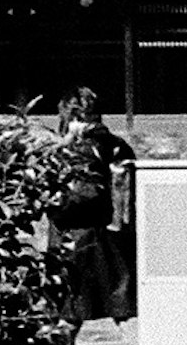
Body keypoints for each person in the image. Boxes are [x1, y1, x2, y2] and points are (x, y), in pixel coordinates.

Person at [45, 88, 134, 332]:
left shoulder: (80, 149)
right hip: (111, 236)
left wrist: (50, 204)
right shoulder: (116, 145)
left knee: (69, 313)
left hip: (78, 238)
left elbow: (83, 195)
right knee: (122, 309)